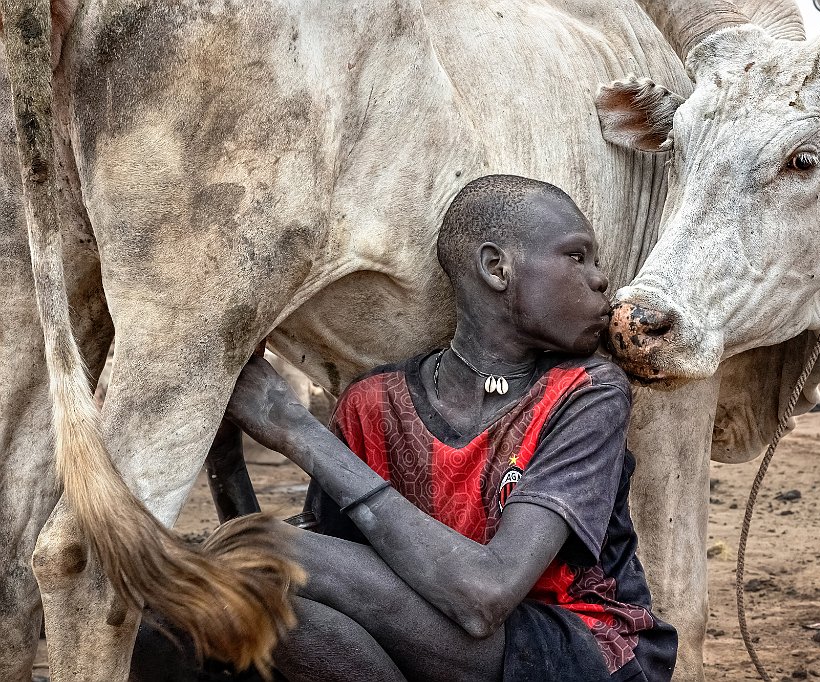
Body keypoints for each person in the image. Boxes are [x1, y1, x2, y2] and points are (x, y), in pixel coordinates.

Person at [142, 174, 677, 682]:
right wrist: (227, 456)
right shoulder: (373, 402)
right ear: (497, 268)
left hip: (580, 648)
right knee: (203, 619)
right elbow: (328, 584)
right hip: (432, 648)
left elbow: (485, 595)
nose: (602, 279)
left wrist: (297, 432)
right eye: (577, 256)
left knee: (264, 555)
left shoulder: (587, 392)